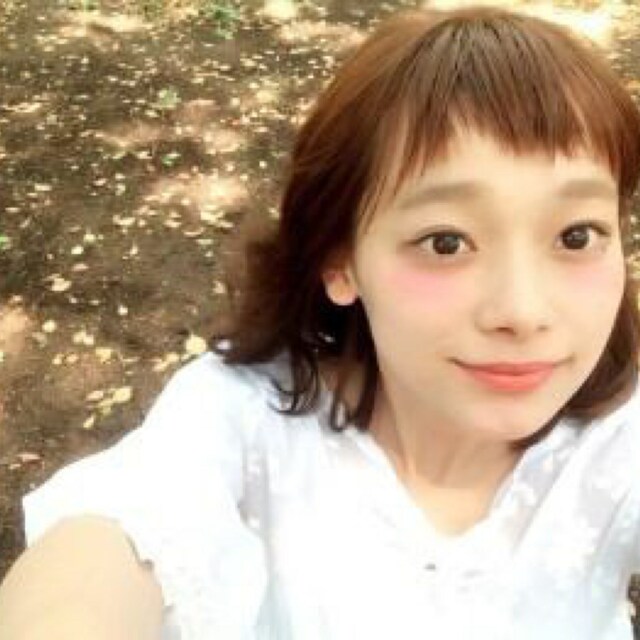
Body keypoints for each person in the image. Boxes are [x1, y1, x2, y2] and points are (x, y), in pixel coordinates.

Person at [2, 4, 640, 639]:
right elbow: (108, 547)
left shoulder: (617, 444)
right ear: (341, 261)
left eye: (577, 235)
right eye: (445, 242)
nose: (524, 312)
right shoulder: (241, 425)